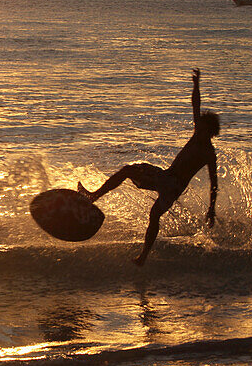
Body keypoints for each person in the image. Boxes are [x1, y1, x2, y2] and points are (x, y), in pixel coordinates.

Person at [79, 69, 218, 266]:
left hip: (173, 186)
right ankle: (94, 196)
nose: (198, 128)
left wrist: (211, 209)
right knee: (128, 170)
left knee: (153, 215)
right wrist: (196, 85)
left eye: (202, 127)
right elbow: (196, 105)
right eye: (199, 126)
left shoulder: (209, 154)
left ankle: (143, 256)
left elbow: (214, 183)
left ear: (209, 132)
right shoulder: (198, 135)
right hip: (166, 177)